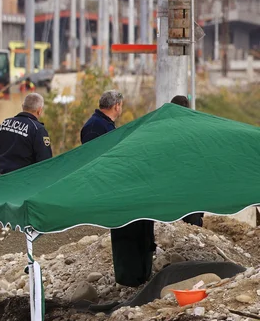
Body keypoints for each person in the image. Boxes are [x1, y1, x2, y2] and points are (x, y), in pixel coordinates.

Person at [81, 90, 154, 287]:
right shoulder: (96, 126)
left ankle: (138, 274)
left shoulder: (104, 125)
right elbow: (95, 158)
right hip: (109, 187)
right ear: (117, 106)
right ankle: (131, 275)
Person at [0, 93, 52, 176]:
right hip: (25, 183)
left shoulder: (5, 124)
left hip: (2, 181)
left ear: (22, 106)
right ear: (39, 110)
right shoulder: (37, 129)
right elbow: (45, 162)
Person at [170, 95, 203, 226]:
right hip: (191, 183)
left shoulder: (164, 128)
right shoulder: (196, 128)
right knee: (193, 224)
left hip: (173, 183)